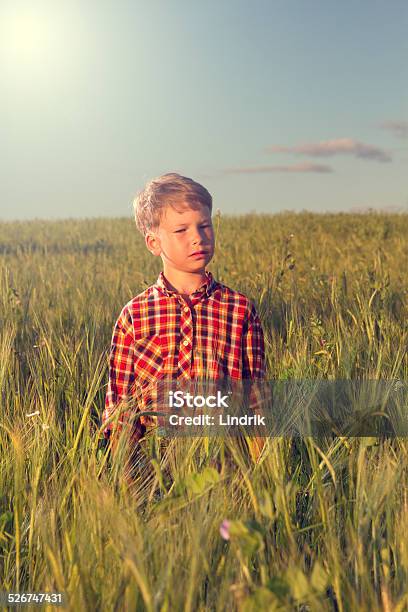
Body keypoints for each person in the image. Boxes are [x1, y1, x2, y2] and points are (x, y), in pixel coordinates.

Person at [102, 173, 266, 479]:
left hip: (226, 468)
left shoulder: (240, 310)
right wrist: (126, 478)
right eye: (181, 229)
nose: (197, 237)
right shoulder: (135, 315)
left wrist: (261, 472)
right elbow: (121, 406)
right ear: (153, 243)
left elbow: (257, 398)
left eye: (204, 226)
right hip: (153, 469)